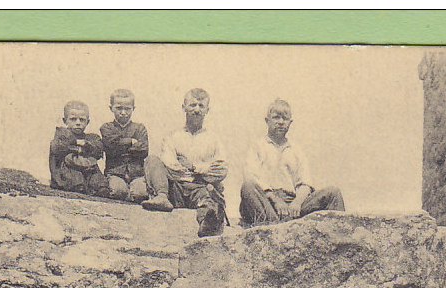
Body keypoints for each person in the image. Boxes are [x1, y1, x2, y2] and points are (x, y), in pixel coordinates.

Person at [239, 98, 345, 228]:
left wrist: (297, 203)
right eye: (276, 117)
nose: (280, 122)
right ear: (267, 121)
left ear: (290, 122)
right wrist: (275, 200)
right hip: (267, 203)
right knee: (248, 187)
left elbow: (305, 183)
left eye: (285, 118)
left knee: (333, 192)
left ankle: (340, 236)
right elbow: (251, 176)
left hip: (292, 206)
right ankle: (274, 228)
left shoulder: (296, 150)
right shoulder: (257, 147)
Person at [141, 88, 228, 237]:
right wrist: (201, 172)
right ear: (184, 107)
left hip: (199, 189)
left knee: (208, 198)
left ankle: (207, 223)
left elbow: (221, 170)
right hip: (176, 188)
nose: (196, 110)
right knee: (152, 160)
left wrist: (194, 167)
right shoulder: (173, 136)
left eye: (201, 106)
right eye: (192, 105)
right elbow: (170, 165)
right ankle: (161, 197)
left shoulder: (214, 140)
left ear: (207, 110)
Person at [48, 100, 110, 196]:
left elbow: (98, 151)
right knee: (76, 181)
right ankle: (79, 186)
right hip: (67, 169)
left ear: (87, 122)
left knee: (100, 183)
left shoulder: (91, 138)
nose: (78, 123)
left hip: (87, 169)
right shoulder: (62, 135)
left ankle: (98, 187)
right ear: (65, 121)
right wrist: (76, 144)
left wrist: (86, 145)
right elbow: (57, 147)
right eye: (73, 119)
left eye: (82, 120)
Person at [100, 89, 149, 203]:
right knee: (118, 191)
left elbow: (143, 150)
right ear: (111, 108)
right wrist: (131, 142)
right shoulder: (107, 128)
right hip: (115, 172)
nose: (123, 112)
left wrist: (120, 145)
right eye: (119, 108)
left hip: (136, 174)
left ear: (133, 109)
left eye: (127, 109)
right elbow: (111, 147)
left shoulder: (140, 128)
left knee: (140, 194)